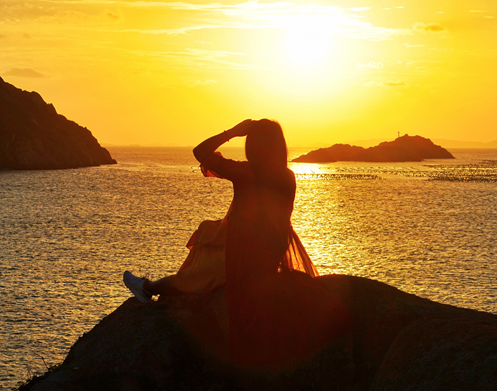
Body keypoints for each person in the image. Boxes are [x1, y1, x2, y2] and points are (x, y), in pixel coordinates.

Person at [123, 119, 350, 368]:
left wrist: (232, 132)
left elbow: (199, 152)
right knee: (207, 230)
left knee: (197, 273)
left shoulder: (246, 173)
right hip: (267, 255)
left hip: (242, 257)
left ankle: (147, 288)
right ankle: (157, 285)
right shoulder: (287, 177)